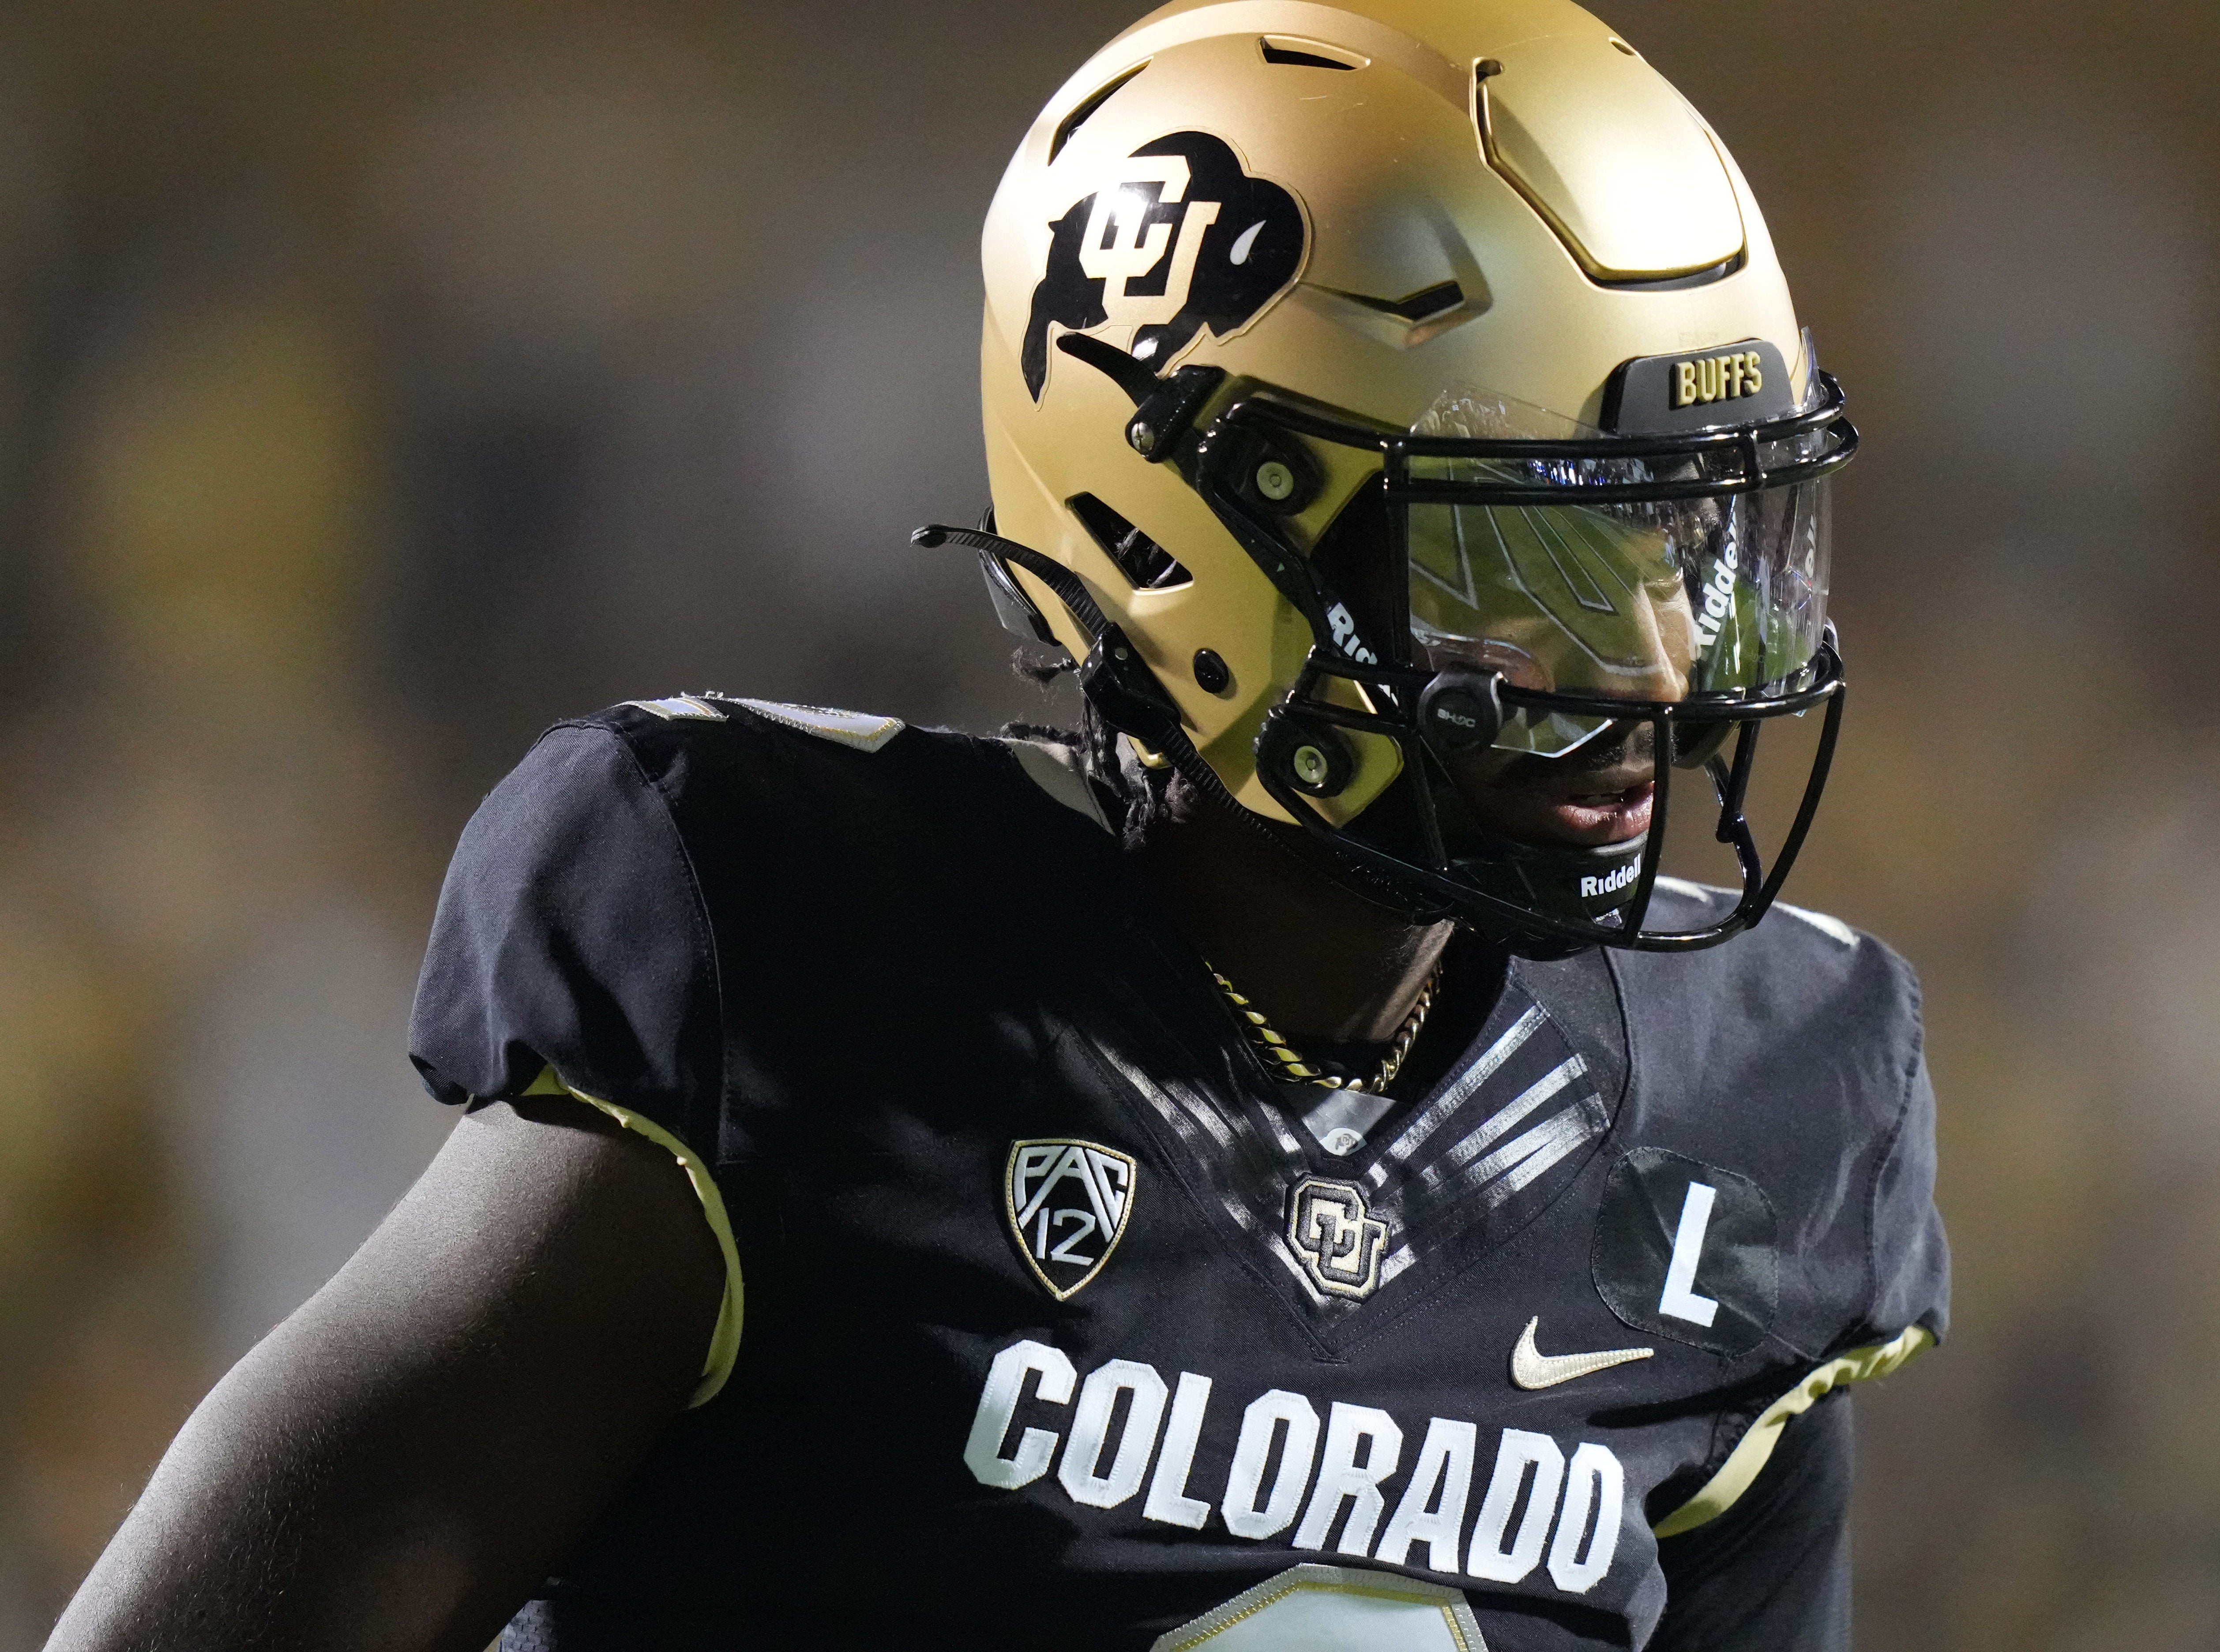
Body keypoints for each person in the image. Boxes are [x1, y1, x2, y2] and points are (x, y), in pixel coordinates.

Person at [46, 1, 1946, 1647]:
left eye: (1695, 536)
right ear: (1188, 520)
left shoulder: (1756, 1119)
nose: (1666, 658)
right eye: (1529, 549)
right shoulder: (802, 969)